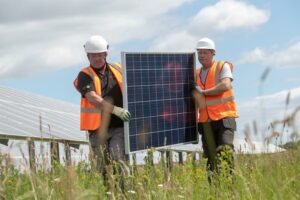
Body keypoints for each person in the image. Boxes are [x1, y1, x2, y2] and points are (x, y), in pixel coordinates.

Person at [73, 35, 131, 184]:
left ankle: (126, 194)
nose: (98, 58)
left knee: (119, 160)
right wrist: (116, 110)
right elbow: (92, 97)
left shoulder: (118, 69)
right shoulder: (84, 75)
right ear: (88, 56)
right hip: (97, 130)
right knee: (101, 168)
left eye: (100, 54)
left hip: (118, 126)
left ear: (106, 54)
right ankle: (108, 193)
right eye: (94, 56)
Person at [192, 37, 238, 180]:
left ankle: (230, 187)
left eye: (205, 52)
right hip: (205, 122)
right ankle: (215, 190)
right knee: (210, 158)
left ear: (213, 53)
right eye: (199, 53)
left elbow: (226, 85)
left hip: (224, 118)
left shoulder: (222, 66)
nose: (202, 56)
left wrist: (204, 92)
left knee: (225, 151)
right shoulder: (196, 73)